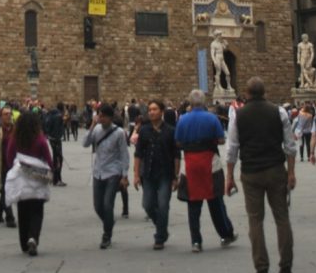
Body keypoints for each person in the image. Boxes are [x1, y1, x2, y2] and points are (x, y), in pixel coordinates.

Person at [225, 77, 296, 273]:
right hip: (276, 170)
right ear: (264, 92)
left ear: (246, 94)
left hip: (251, 173)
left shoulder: (239, 116)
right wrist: (291, 172)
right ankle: (286, 268)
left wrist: (229, 177)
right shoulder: (279, 111)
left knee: (255, 221)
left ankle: (262, 269)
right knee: (282, 218)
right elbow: (290, 145)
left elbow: (232, 150)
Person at [174, 89, 237, 252]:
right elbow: (221, 140)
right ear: (203, 102)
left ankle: (196, 241)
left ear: (190, 102)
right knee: (215, 201)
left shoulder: (182, 120)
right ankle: (225, 234)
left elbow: (178, 142)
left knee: (193, 204)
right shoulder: (211, 118)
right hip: (211, 163)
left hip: (190, 165)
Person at [3, 110, 53, 255]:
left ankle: (24, 243)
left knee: (23, 212)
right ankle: (33, 238)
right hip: (37, 180)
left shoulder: (15, 139)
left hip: (21, 181)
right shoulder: (40, 139)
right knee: (37, 212)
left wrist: (15, 169)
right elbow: (49, 160)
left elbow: (9, 158)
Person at [83, 102, 129, 250]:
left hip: (113, 172)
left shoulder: (119, 133)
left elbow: (124, 154)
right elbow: (85, 143)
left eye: (103, 116)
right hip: (98, 171)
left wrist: (124, 175)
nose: (100, 118)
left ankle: (106, 234)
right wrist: (91, 125)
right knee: (98, 206)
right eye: (99, 116)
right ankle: (109, 223)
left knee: (108, 204)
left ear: (110, 117)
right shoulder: (96, 129)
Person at [133, 98, 176, 250]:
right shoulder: (144, 130)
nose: (151, 112)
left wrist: (176, 177)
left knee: (163, 205)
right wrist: (136, 174)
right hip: (148, 174)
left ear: (162, 112)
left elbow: (176, 155)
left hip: (165, 173)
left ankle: (159, 237)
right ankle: (162, 228)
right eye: (150, 110)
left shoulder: (170, 131)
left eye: (154, 109)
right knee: (148, 205)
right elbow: (138, 154)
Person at [44, 102, 66, 185]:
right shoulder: (58, 116)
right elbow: (57, 129)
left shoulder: (51, 114)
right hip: (56, 140)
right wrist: (57, 138)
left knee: (55, 158)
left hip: (51, 138)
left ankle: (54, 178)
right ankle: (57, 180)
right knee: (58, 159)